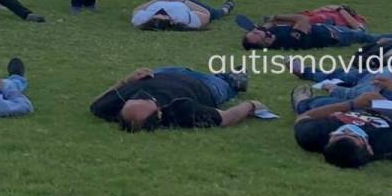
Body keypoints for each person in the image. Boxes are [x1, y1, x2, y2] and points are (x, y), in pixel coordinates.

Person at [292, 76, 392, 168]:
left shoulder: (313, 136)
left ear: (328, 140)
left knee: (313, 104)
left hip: (349, 107)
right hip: (390, 113)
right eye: (355, 135)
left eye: (341, 133)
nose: (350, 129)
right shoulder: (389, 143)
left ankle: (304, 99)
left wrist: (352, 104)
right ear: (369, 148)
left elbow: (304, 117)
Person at [89, 66, 264, 131]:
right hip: (205, 85)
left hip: (163, 72)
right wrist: (251, 106)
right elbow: (226, 118)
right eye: (148, 100)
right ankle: (231, 78)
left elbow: (96, 103)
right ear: (158, 114)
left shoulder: (116, 104)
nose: (144, 95)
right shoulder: (181, 111)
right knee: (229, 82)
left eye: (136, 97)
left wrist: (126, 81)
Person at [238, 6, 375, 50]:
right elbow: (303, 19)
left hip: (324, 26)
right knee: (365, 36)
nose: (256, 32)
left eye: (254, 31)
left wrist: (264, 26)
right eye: (255, 34)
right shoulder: (288, 40)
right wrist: (276, 16)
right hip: (334, 34)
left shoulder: (272, 35)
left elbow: (270, 24)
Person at [131, 0, 233, 31]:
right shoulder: (183, 19)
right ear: (170, 21)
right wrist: (183, 1)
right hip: (183, 2)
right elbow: (206, 14)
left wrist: (158, 0)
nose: (161, 13)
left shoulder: (142, 19)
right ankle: (225, 9)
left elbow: (137, 9)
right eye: (164, 15)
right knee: (215, 14)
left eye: (156, 15)